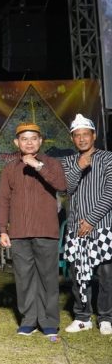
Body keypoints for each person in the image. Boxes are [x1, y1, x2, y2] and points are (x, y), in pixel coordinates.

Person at [0, 122, 66, 337]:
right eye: (24, 139)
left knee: (48, 278)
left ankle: (49, 322)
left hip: (46, 230)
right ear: (16, 142)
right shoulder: (10, 168)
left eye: (33, 138)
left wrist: (38, 166)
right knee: (24, 278)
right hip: (19, 231)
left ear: (40, 141)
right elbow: (4, 200)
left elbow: (61, 185)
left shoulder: (52, 164)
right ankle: (28, 320)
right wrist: (3, 229)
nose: (29, 143)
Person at [61, 114, 112, 336]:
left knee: (106, 274)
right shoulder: (68, 162)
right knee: (78, 274)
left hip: (103, 227)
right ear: (72, 138)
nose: (81, 139)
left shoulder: (108, 158)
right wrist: (79, 167)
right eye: (77, 135)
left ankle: (106, 317)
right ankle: (82, 317)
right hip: (76, 229)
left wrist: (91, 220)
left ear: (94, 135)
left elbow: (110, 192)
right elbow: (66, 189)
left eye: (85, 134)